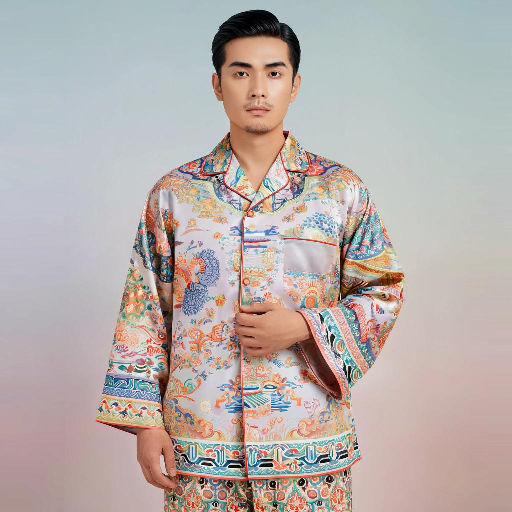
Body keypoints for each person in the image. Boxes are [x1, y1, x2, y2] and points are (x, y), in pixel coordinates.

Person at [95, 9, 405, 512]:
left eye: (273, 73)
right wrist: (146, 425)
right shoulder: (174, 195)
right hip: (201, 450)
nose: (258, 89)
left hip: (309, 451)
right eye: (241, 73)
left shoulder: (340, 191)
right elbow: (144, 311)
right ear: (217, 85)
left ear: (294, 85)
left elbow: (383, 291)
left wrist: (304, 325)